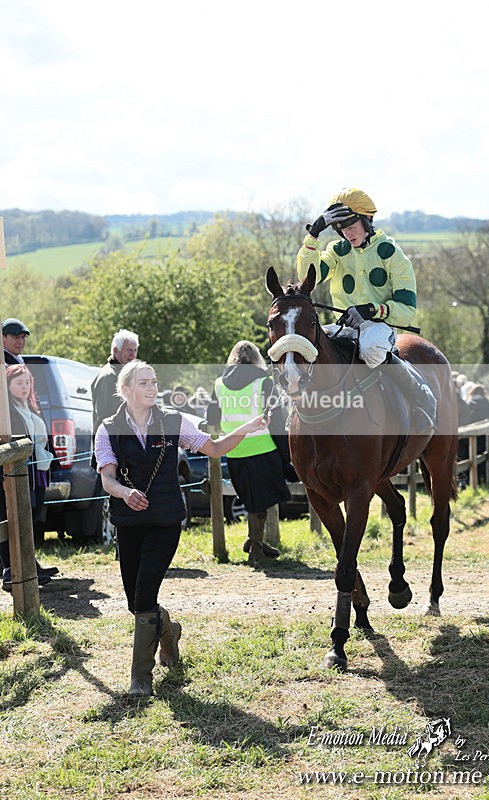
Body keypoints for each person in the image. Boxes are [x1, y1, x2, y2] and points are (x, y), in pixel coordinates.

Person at [94, 359, 270, 697]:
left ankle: (140, 679)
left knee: (144, 594)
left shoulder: (174, 421)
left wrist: (246, 427)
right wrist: (125, 492)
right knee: (136, 603)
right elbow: (107, 479)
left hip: (166, 522)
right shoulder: (108, 428)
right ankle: (169, 629)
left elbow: (215, 448)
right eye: (144, 383)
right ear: (126, 389)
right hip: (128, 523)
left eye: (154, 381)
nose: (152, 387)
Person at [296, 186, 435, 435]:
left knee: (371, 349)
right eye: (341, 229)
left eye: (351, 227)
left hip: (378, 328)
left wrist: (371, 310)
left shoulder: (392, 253)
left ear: (368, 220)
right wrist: (314, 233)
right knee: (311, 348)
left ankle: (419, 398)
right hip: (343, 325)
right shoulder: (337, 252)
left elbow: (406, 311)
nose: (347, 234)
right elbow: (308, 279)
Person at [209, 340, 295, 565]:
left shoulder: (219, 384)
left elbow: (212, 420)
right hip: (263, 448)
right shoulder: (265, 383)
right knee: (262, 501)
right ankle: (256, 548)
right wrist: (287, 454)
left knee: (252, 499)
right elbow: (276, 422)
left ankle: (254, 540)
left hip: (234, 451)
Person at [0, 364, 58, 592]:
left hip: (37, 473)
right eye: (19, 383)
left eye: (27, 383)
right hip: (14, 475)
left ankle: (30, 565)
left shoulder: (30, 406)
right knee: (12, 520)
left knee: (31, 518)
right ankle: (10, 570)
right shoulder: (6, 411)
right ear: (8, 385)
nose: (24, 387)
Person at [91, 329, 139, 436]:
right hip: (110, 445)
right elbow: (107, 418)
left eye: (135, 350)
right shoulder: (110, 376)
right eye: (129, 350)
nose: (133, 355)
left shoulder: (123, 374)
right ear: (116, 350)